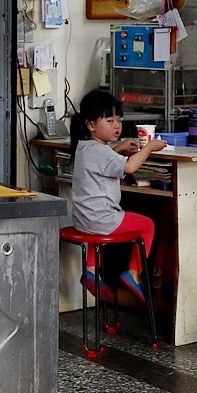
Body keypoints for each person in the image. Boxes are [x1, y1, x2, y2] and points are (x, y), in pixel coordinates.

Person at [69, 89, 167, 303]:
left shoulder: (83, 147)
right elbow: (131, 167)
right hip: (101, 220)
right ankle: (133, 273)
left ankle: (92, 271)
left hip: (82, 219)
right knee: (148, 225)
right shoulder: (102, 152)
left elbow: (103, 158)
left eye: (119, 120)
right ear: (91, 125)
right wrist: (149, 147)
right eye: (110, 120)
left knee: (97, 232)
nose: (117, 125)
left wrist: (118, 148)